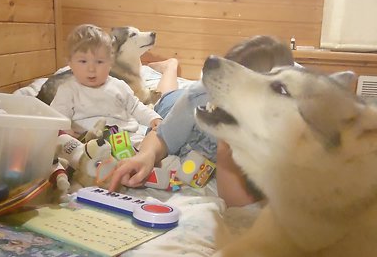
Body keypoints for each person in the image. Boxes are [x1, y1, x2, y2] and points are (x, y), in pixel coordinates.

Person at [108, 35, 296, 207]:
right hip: (173, 104)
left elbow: (235, 201)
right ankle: (170, 67)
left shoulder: (278, 129)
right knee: (165, 96)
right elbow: (161, 136)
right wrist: (146, 155)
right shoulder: (199, 96)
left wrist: (227, 142)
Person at [50, 24, 175, 146]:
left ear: (110, 63)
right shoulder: (68, 90)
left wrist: (153, 118)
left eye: (99, 62)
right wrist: (65, 132)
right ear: (70, 64)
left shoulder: (118, 86)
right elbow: (56, 116)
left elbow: (136, 107)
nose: (91, 68)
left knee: (149, 147)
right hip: (87, 141)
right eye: (83, 61)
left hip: (126, 137)